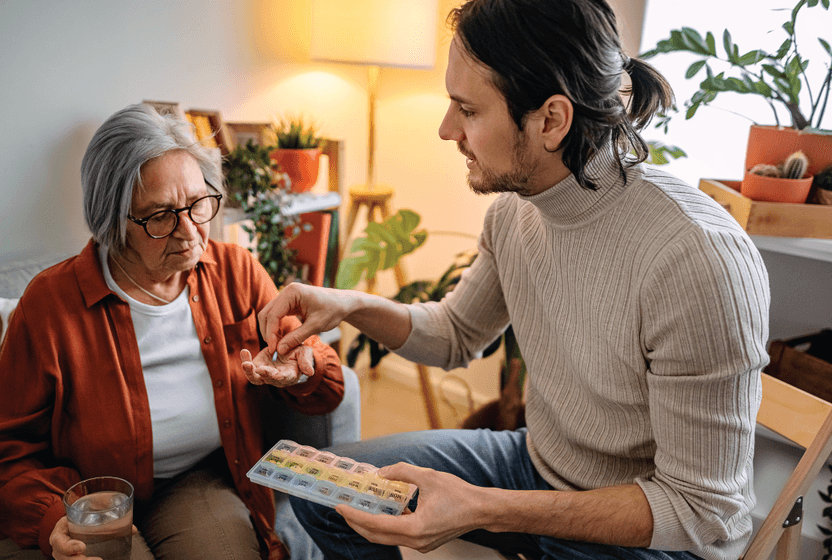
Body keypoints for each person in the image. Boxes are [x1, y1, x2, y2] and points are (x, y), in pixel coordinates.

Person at [258, 1, 771, 559]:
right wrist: (349, 304)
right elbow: (454, 334)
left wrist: (485, 507)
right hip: (537, 466)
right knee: (325, 493)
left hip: (652, 531)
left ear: (551, 120)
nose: (446, 129)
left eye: (467, 109)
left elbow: (700, 511)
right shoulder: (516, 212)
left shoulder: (696, 258)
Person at [0, 103, 346, 560]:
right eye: (160, 215)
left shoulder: (236, 272)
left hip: (194, 481)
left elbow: (326, 382)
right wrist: (51, 517)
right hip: (91, 495)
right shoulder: (48, 306)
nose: (189, 232)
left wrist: (300, 369)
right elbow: (8, 451)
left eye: (198, 203)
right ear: (113, 220)